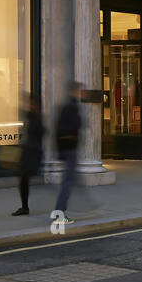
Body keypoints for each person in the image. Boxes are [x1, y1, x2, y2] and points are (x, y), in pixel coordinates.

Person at [53, 82, 83, 219]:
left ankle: (62, 210)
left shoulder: (67, 106)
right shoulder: (72, 106)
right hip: (69, 149)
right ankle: (59, 212)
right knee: (68, 181)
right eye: (79, 91)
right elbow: (70, 128)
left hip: (66, 148)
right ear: (75, 91)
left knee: (70, 180)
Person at [12, 91, 44, 216]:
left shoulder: (37, 118)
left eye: (30, 102)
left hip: (32, 153)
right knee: (24, 180)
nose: (28, 104)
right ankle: (24, 207)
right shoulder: (32, 116)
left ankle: (25, 207)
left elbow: (38, 134)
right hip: (29, 152)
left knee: (24, 180)